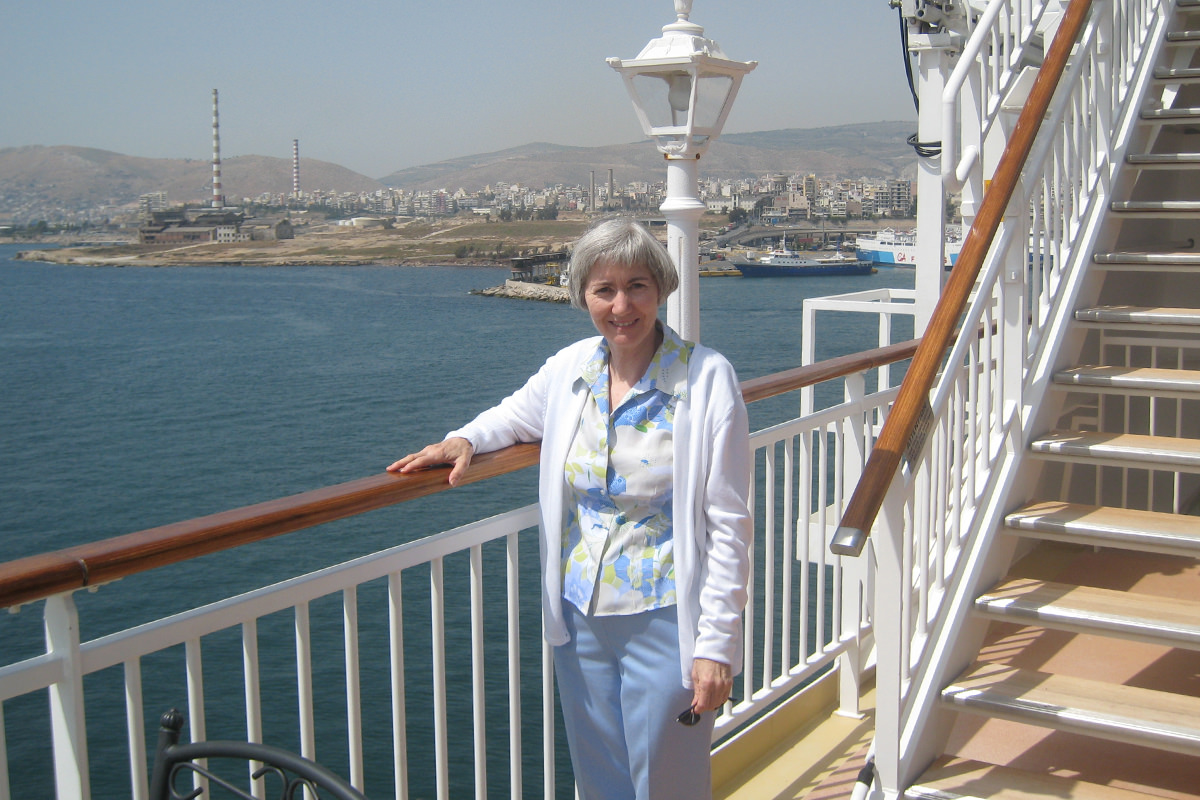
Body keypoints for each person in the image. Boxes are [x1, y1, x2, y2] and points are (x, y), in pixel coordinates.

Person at [388, 217, 752, 800]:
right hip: (579, 613)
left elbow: (730, 525)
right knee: (600, 775)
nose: (621, 305)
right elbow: (513, 416)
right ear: (582, 294)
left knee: (670, 780)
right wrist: (465, 439)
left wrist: (716, 646)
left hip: (664, 614)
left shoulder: (707, 378)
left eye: (637, 285)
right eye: (603, 289)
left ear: (661, 288)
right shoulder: (571, 370)